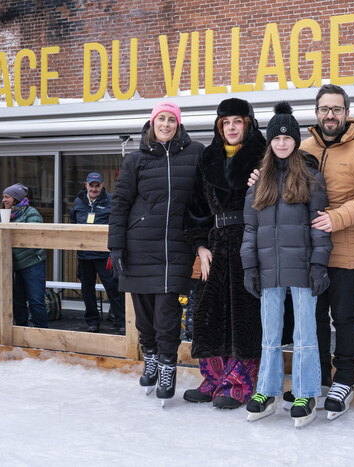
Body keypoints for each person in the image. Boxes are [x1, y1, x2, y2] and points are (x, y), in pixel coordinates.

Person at [284, 84, 354, 419]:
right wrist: (259, 177)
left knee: (342, 315)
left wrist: (335, 218)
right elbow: (284, 183)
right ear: (317, 113)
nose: (331, 115)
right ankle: (316, 378)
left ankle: (344, 379)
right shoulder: (303, 147)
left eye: (337, 109)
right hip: (310, 250)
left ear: (346, 113)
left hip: (345, 247)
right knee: (313, 317)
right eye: (325, 109)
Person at [241, 102, 332, 428]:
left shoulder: (311, 179)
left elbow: (320, 228)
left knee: (305, 333)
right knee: (270, 334)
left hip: (303, 268)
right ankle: (267, 391)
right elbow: (250, 230)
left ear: (295, 141)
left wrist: (319, 265)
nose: (282, 143)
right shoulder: (258, 183)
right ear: (270, 142)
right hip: (268, 270)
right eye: (276, 139)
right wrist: (250, 267)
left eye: (287, 138)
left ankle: (306, 392)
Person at [108, 101, 204, 406]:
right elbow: (120, 204)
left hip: (177, 247)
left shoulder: (195, 153)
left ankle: (166, 366)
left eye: (171, 119)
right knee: (145, 318)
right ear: (152, 123)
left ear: (178, 124)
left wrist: (201, 239)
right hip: (140, 247)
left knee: (168, 314)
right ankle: (149, 356)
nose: (165, 124)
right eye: (160, 119)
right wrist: (116, 246)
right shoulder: (136, 160)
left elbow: (204, 199)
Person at [183, 98, 266, 409]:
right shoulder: (208, 158)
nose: (232, 128)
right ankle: (213, 378)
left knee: (244, 314)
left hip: (250, 240)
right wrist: (200, 246)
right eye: (226, 122)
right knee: (209, 312)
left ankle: (239, 382)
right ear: (220, 126)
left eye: (238, 122)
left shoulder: (264, 153)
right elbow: (195, 209)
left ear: (248, 123)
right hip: (216, 243)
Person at [70, 172, 126, 333]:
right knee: (87, 290)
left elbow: (118, 222)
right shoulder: (79, 201)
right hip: (84, 254)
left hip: (105, 254)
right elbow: (73, 222)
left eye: (97, 185)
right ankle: (92, 322)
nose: (94, 189)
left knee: (113, 288)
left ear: (102, 185)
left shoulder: (111, 200)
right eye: (91, 185)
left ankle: (121, 321)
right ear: (86, 185)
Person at [0, 183, 49, 328]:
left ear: (17, 198)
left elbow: (32, 237)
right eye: (3, 197)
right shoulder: (0, 215)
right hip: (13, 264)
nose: (4, 200)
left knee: (36, 300)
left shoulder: (31, 213)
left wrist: (11, 231)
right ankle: (21, 332)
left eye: (7, 197)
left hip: (33, 263)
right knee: (18, 301)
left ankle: (42, 333)